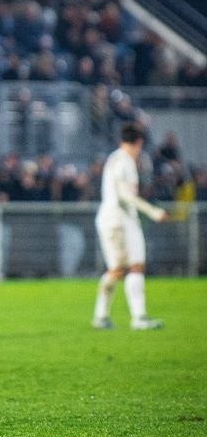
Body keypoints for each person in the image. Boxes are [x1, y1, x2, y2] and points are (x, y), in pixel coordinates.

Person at [92, 121, 170, 330]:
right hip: (120, 219)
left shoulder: (114, 158)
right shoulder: (125, 162)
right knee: (127, 268)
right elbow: (125, 195)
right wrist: (153, 211)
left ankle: (106, 316)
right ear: (139, 142)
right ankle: (134, 317)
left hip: (113, 219)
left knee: (124, 268)